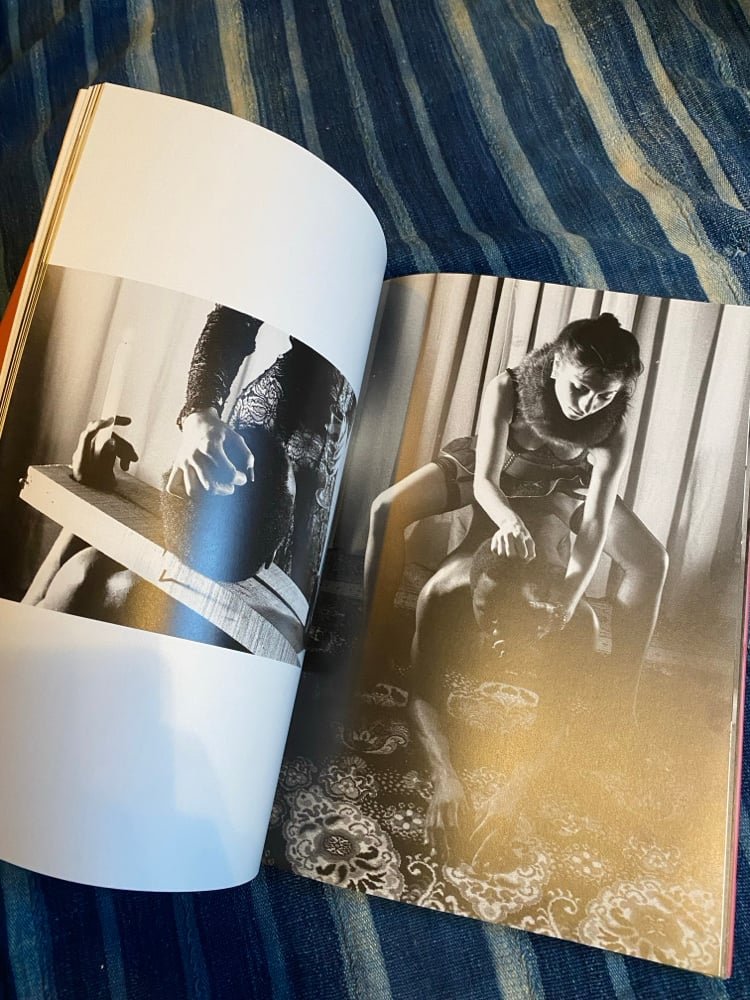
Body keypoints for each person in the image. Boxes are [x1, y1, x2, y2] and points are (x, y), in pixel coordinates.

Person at [364, 313, 668, 678]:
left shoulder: (612, 428)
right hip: (497, 471)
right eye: (580, 388)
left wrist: (569, 598)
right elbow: (484, 481)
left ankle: (623, 684)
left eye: (605, 396)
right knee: (385, 508)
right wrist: (509, 521)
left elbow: (594, 526)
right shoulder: (508, 387)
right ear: (557, 364)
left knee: (653, 559)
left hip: (562, 486)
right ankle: (373, 636)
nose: (588, 405)